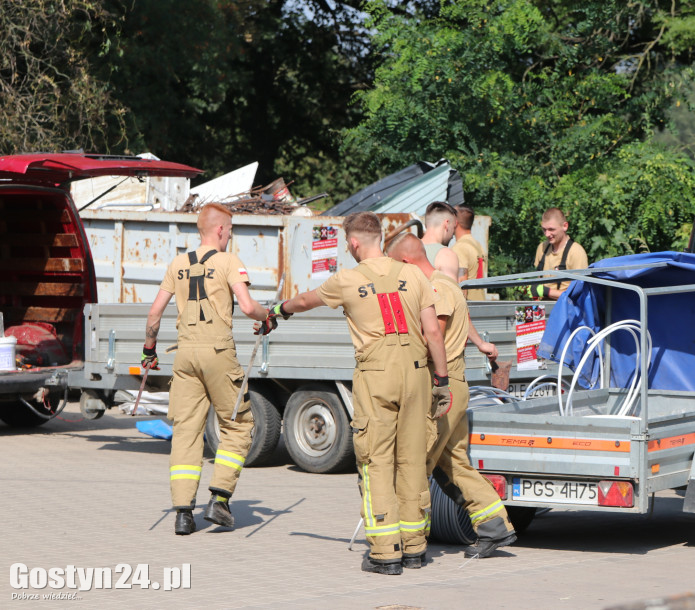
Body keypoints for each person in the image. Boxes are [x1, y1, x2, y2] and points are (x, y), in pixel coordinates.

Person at [266, 212, 449, 576]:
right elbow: (434, 333)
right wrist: (441, 381)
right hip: (416, 373)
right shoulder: (412, 274)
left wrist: (277, 310)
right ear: (379, 237)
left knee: (376, 461)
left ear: (353, 243)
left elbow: (304, 301)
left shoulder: (347, 280)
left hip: (377, 376)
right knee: (412, 459)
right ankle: (414, 548)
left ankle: (385, 552)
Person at [143, 203, 273, 536]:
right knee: (238, 423)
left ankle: (184, 514)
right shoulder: (229, 262)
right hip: (218, 353)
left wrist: (148, 351)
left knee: (186, 431)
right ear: (219, 230)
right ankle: (220, 498)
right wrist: (267, 317)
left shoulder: (177, 264)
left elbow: (155, 314)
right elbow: (246, 306)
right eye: (229, 230)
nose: (230, 236)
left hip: (184, 355)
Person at [386, 234, 517, 559]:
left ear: (405, 263)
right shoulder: (445, 282)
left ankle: (411, 539)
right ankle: (495, 526)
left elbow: (436, 333)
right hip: (453, 386)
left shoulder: (435, 288)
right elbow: (461, 315)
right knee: (455, 462)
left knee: (417, 462)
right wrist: (480, 343)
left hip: (441, 389)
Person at [529, 207, 588, 300]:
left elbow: (579, 293)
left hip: (565, 308)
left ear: (565, 226)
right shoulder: (542, 248)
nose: (547, 234)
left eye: (551, 229)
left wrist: (547, 292)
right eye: (544, 229)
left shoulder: (576, 252)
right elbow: (538, 284)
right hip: (542, 308)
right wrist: (529, 289)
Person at [452, 204, 488, 300]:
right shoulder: (478, 245)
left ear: (455, 222)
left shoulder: (460, 248)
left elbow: (462, 282)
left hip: (469, 307)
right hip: (480, 303)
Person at [421, 201, 461, 281]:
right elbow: (451, 292)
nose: (452, 236)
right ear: (446, 224)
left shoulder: (407, 250)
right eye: (453, 227)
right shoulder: (446, 255)